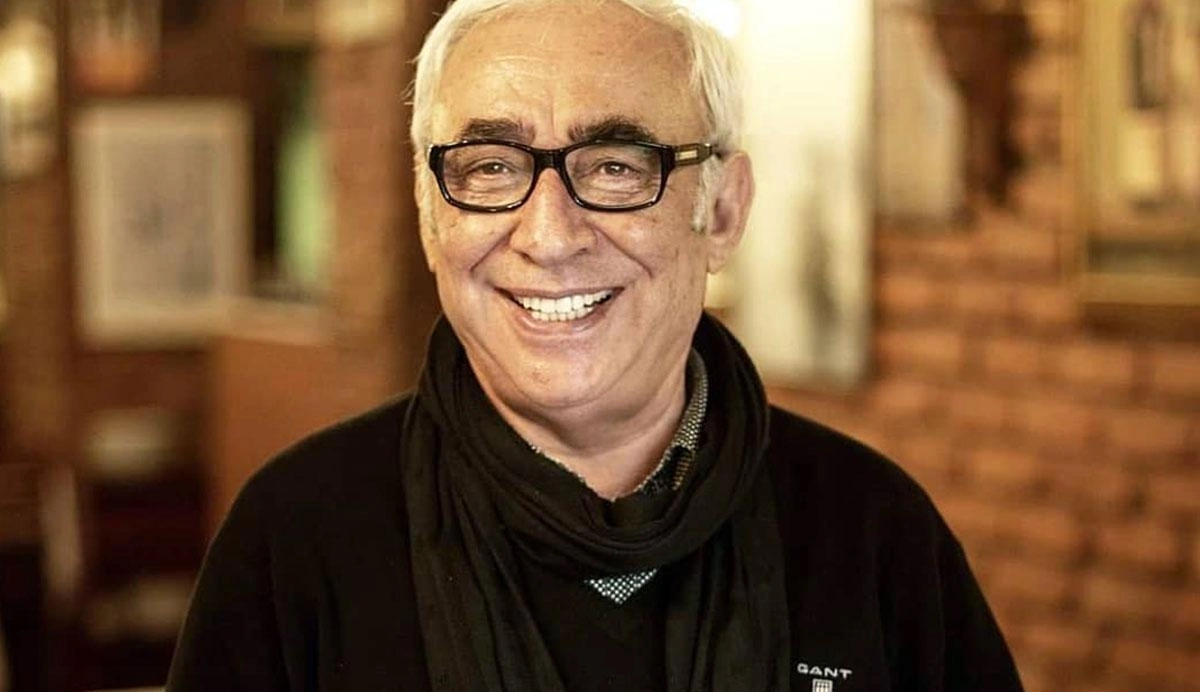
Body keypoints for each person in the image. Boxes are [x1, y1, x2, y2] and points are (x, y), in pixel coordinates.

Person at [166, 0, 1025, 689]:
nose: (548, 235)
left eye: (616, 166)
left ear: (724, 210)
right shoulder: (299, 535)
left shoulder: (869, 530)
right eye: (491, 167)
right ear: (431, 216)